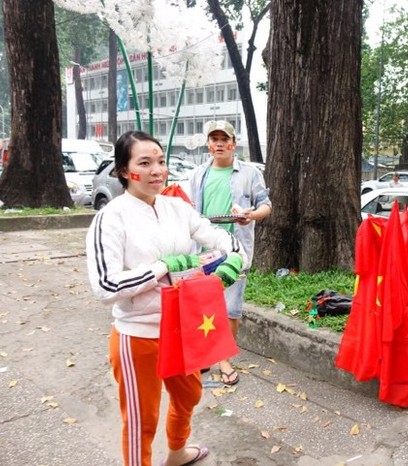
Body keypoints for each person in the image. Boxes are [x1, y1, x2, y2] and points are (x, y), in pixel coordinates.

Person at [86, 130, 249, 466]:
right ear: (123, 170)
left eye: (160, 161)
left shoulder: (177, 208)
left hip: (183, 329)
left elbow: (222, 239)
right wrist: (163, 267)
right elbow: (105, 286)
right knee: (141, 419)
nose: (156, 171)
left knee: (190, 395)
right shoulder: (111, 217)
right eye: (144, 163)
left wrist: (233, 260)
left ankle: (176, 452)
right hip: (138, 336)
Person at [188, 120, 272, 385]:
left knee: (231, 309)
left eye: (224, 139)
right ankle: (203, 356)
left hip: (235, 250)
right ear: (208, 145)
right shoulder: (198, 174)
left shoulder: (249, 173)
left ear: (233, 143)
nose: (219, 144)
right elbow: (190, 211)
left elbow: (265, 205)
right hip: (203, 250)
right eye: (214, 139)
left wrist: (250, 215)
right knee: (203, 307)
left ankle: (224, 359)